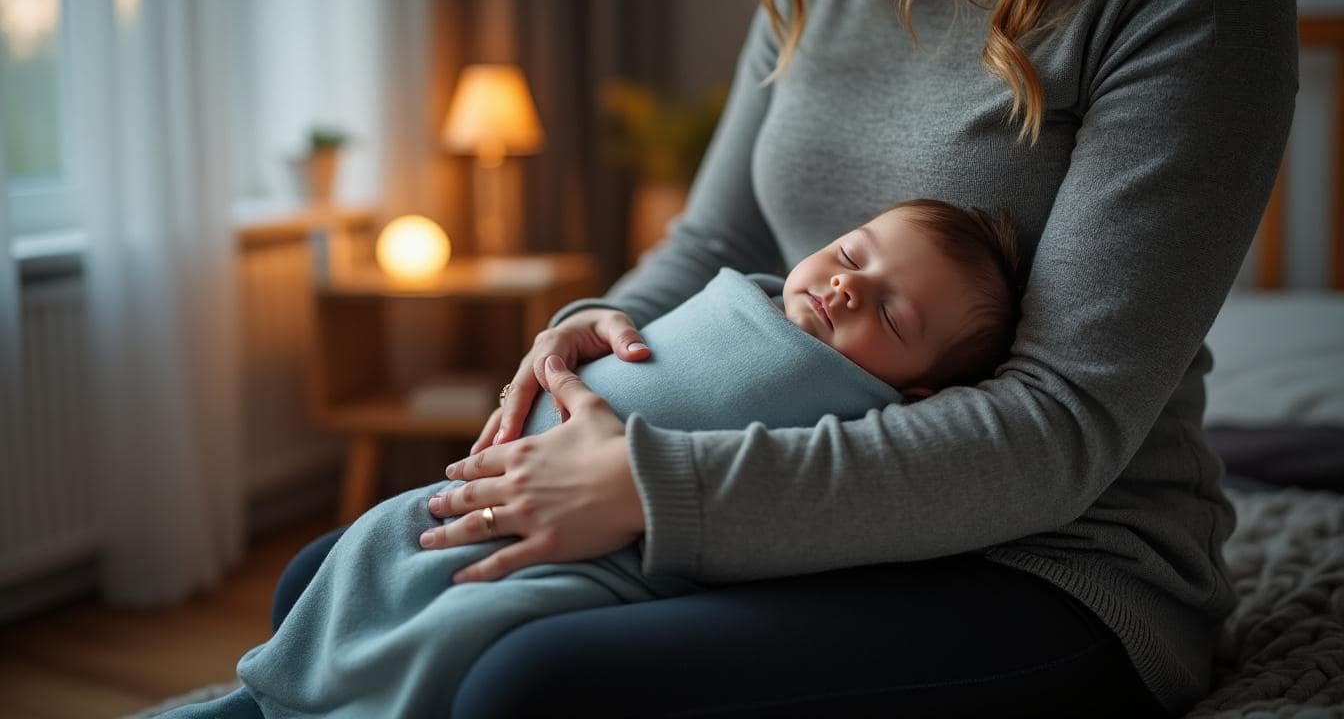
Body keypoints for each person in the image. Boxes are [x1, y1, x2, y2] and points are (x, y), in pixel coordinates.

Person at [275, 0, 1298, 716]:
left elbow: (1059, 422)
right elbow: (716, 237)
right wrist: (581, 328)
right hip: (785, 514)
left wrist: (651, 489)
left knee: (532, 686)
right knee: (327, 578)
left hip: (1051, 562)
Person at [162, 198, 1022, 718]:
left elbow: (825, 495)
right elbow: (682, 270)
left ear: (916, 397)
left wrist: (647, 487)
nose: (845, 287)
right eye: (848, 253)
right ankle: (264, 702)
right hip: (524, 472)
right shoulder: (749, 293)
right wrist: (576, 326)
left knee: (470, 634)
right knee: (356, 552)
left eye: (894, 315)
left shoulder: (862, 415)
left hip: (613, 554)